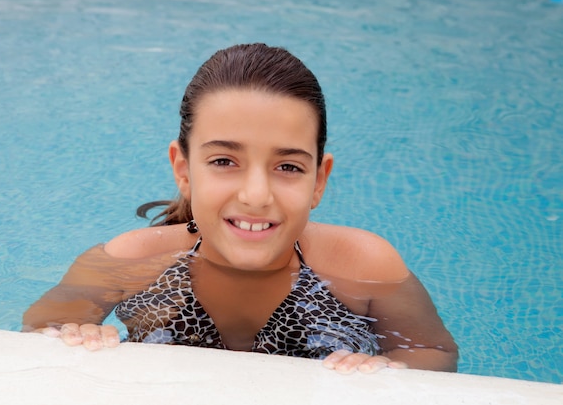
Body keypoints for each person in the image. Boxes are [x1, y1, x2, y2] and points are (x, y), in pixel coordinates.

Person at [23, 43, 458, 374]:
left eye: (287, 166)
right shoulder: (130, 264)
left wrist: (391, 370)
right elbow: (41, 333)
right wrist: (77, 335)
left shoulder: (363, 267)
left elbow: (432, 351)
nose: (256, 195)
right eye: (224, 162)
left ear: (318, 181)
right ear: (184, 168)